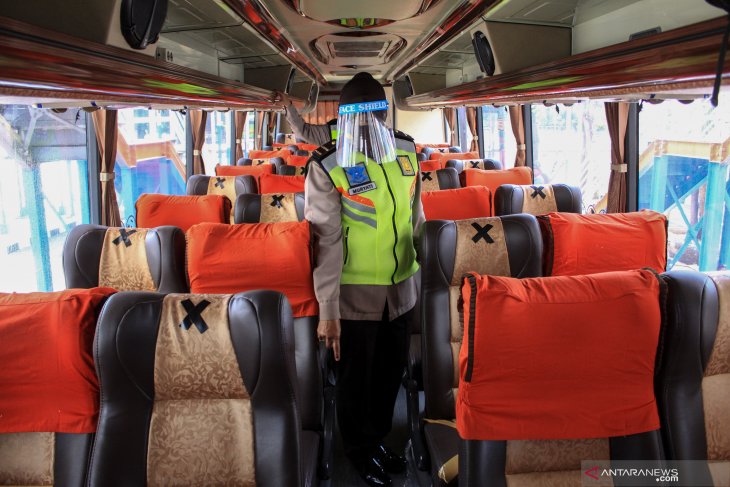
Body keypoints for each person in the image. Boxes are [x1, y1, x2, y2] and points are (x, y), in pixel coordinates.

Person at [306, 72, 424, 487]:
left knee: (389, 375)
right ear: (343, 118)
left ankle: (375, 441)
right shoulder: (328, 164)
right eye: (357, 116)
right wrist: (329, 310)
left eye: (374, 113)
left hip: (403, 289)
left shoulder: (407, 150)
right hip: (355, 294)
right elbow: (326, 242)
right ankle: (357, 453)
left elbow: (416, 217)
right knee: (357, 382)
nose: (366, 123)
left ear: (384, 113)